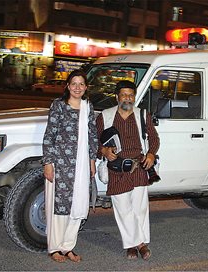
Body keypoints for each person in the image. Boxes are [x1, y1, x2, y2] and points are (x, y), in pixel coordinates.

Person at [96, 80, 160, 260]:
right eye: (124, 95)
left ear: (134, 97)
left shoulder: (142, 115)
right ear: (117, 97)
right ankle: (136, 244)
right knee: (123, 208)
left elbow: (154, 139)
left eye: (131, 95)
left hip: (139, 166)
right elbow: (95, 141)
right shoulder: (105, 116)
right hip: (117, 169)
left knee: (140, 208)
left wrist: (151, 154)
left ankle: (135, 244)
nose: (127, 98)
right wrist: (104, 151)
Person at [42, 69, 98, 263]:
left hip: (81, 165)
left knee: (77, 205)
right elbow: (50, 135)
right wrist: (48, 163)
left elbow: (92, 136)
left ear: (86, 87)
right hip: (60, 163)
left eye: (81, 84)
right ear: (67, 85)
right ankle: (54, 247)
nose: (77, 88)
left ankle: (68, 247)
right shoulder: (58, 106)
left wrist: (92, 162)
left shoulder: (87, 107)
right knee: (59, 207)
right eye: (73, 83)